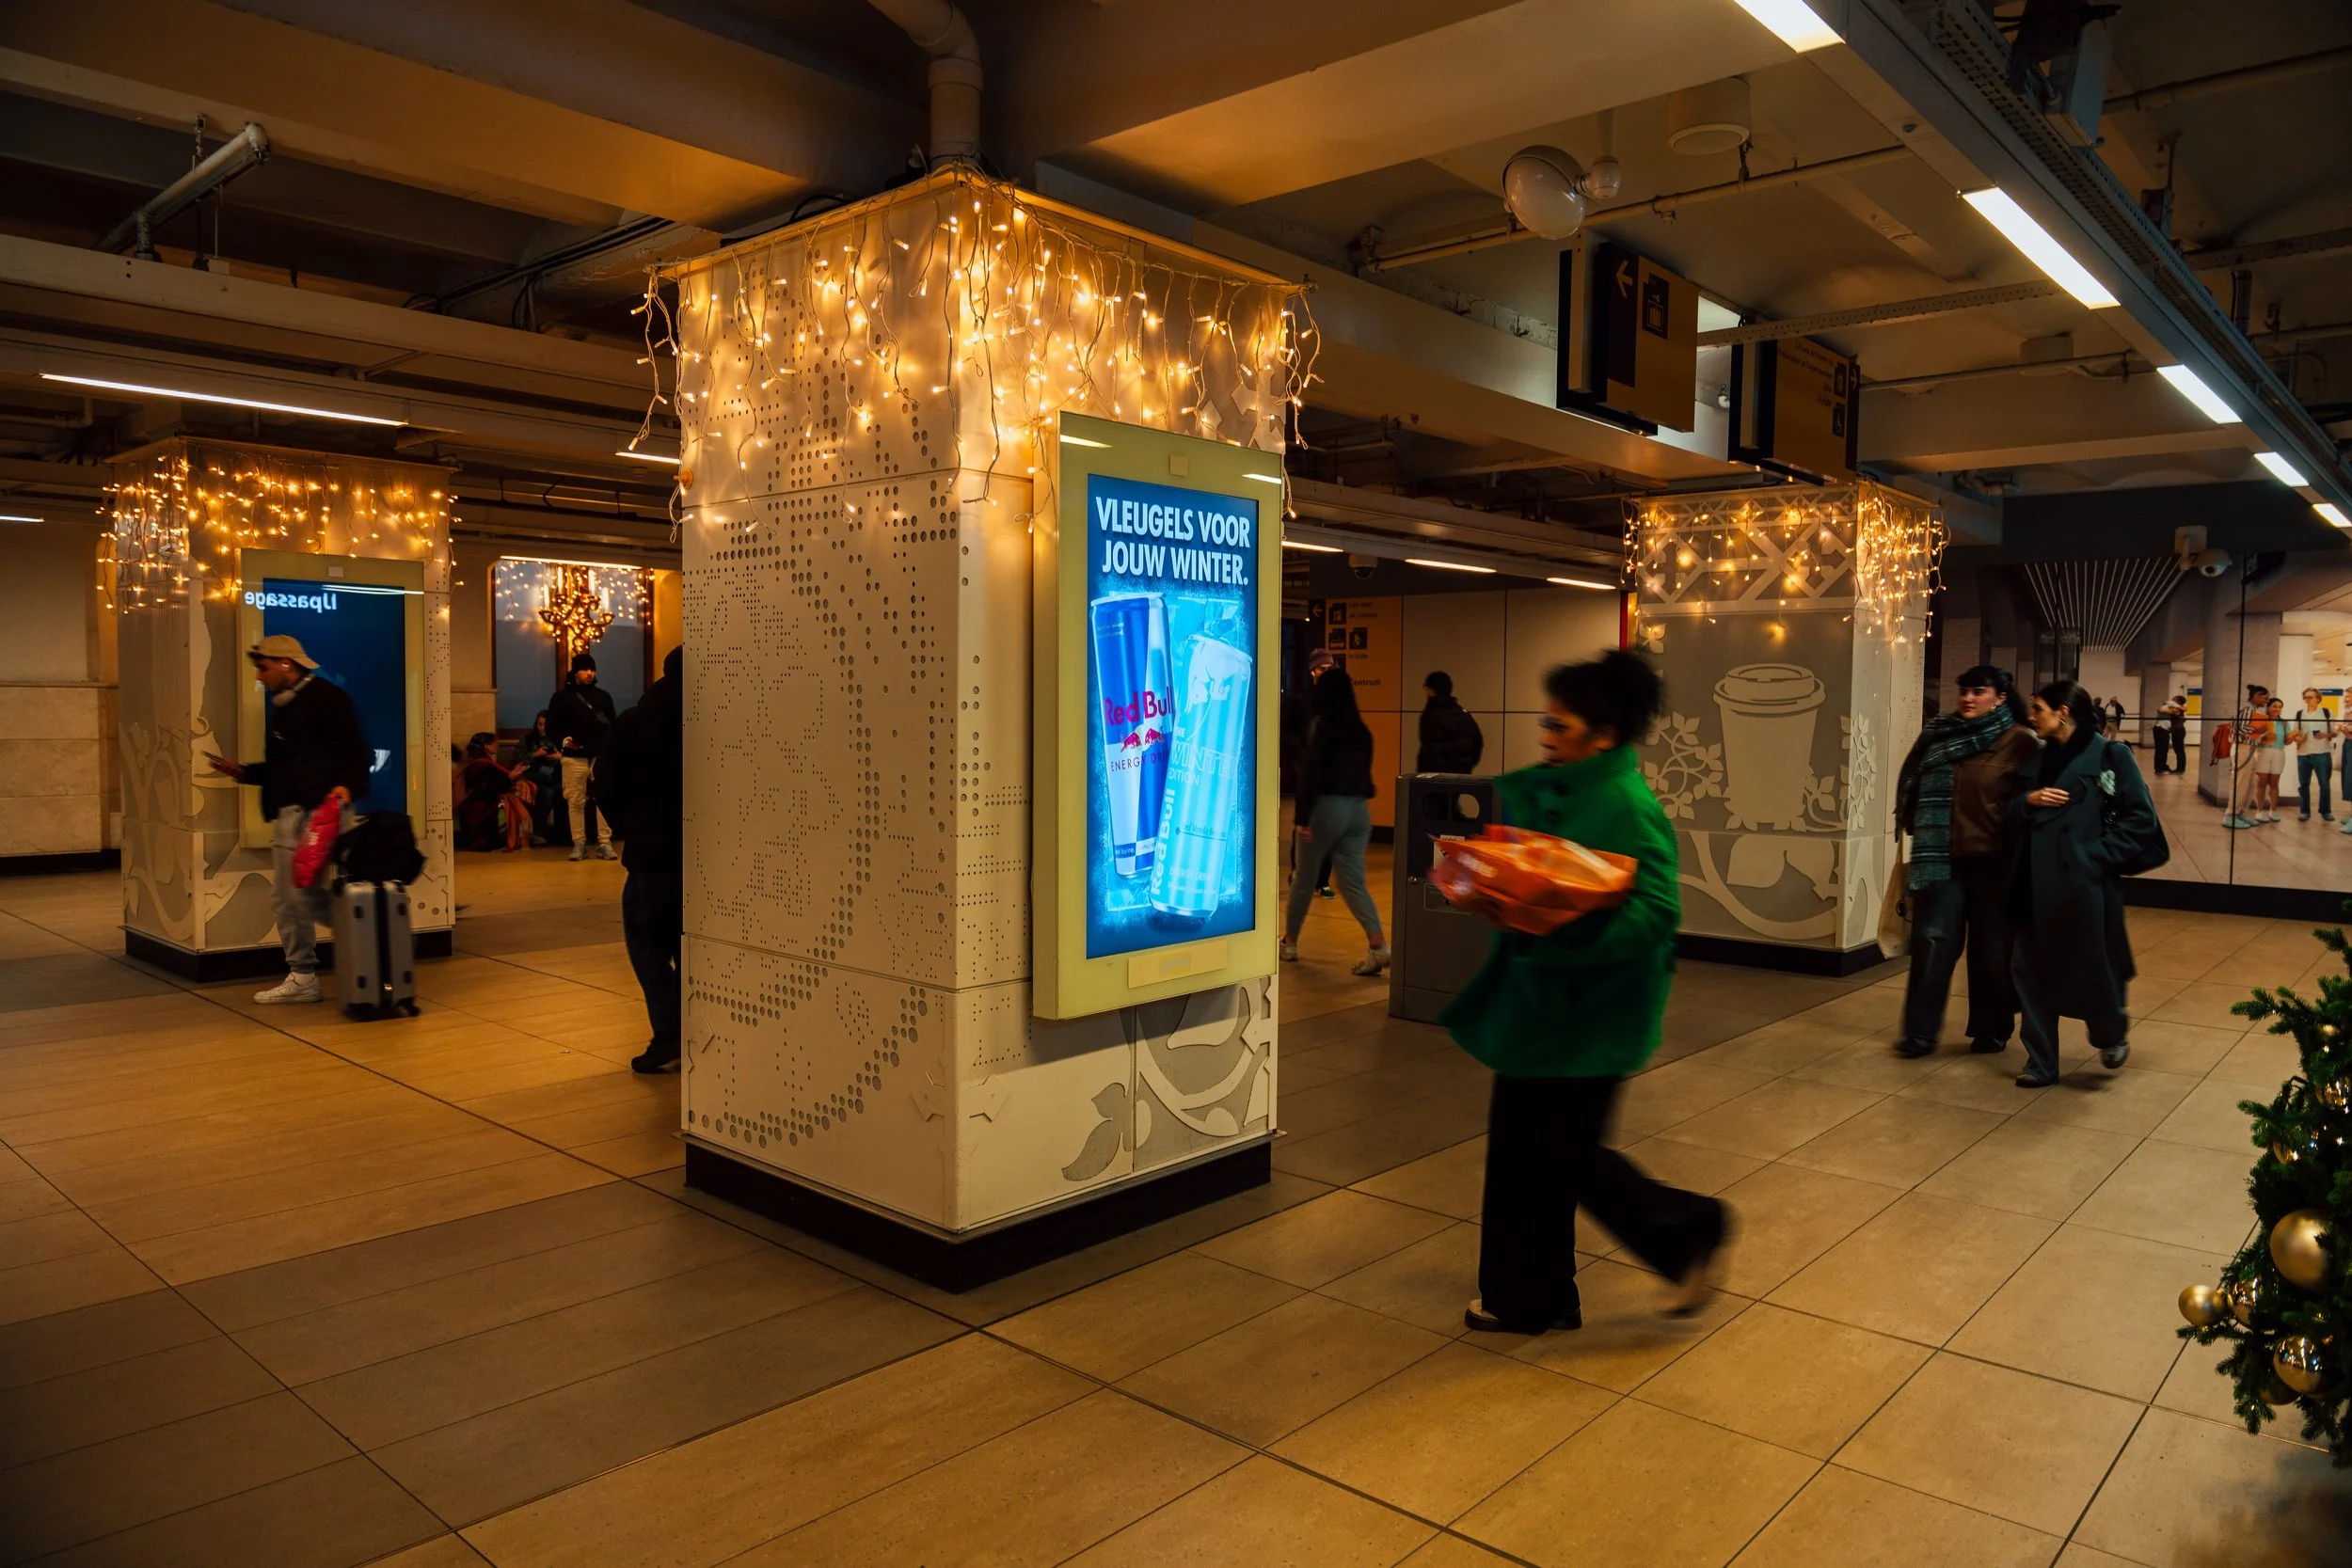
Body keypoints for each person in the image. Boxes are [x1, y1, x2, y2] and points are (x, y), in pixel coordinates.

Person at [1439, 650, 1730, 1333]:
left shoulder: (1627, 804)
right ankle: (1528, 1296)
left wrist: (1559, 939)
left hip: (1593, 1012)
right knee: (1520, 1153)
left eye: (1557, 725)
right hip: (1540, 1005)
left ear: (1602, 733)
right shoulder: (1562, 785)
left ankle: (1691, 1228)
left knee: (1562, 1156)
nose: (1544, 735)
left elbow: (1658, 912)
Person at [2008, 680, 2157, 1088]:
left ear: (2064, 713)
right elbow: (2009, 806)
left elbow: (2140, 820)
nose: (2032, 716)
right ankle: (2041, 1062)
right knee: (2028, 968)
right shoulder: (2036, 758)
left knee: (2094, 966)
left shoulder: (2111, 755)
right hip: (2032, 884)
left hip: (2083, 885)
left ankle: (2110, 1032)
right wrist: (2027, 801)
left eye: (2038, 709)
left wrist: (2094, 857)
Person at [205, 634, 371, 1005]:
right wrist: (245, 772)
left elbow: (355, 751)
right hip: (291, 811)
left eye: (263, 668)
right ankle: (304, 976)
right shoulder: (284, 705)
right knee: (286, 898)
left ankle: (367, 937)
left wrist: (345, 786)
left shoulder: (327, 699)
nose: (260, 677)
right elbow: (288, 768)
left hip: (320, 813)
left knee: (300, 897)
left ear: (286, 664)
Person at [1891, 665, 2038, 1059]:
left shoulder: (2020, 742)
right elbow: (1914, 785)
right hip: (1941, 860)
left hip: (1996, 863)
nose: (1967, 699)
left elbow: (2033, 804)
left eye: (1978, 691)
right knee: (1932, 942)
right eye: (1964, 691)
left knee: (1992, 951)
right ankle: (1919, 1033)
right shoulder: (1940, 735)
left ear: (2001, 697)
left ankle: (1991, 1029)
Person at [596, 646, 685, 1073]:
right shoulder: (719, 718)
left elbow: (606, 784)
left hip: (652, 853)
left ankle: (670, 1031)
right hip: (710, 857)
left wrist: (631, 827)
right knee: (697, 947)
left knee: (648, 944)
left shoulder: (636, 721)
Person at [1279, 661, 1388, 974]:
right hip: (1359, 812)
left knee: (1304, 880)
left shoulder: (1322, 726)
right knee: (1354, 884)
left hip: (1327, 809)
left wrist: (1302, 817)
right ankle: (1378, 946)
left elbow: (1311, 775)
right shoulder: (1362, 730)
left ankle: (1289, 943)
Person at [548, 651, 618, 861]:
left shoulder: (603, 697)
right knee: (575, 800)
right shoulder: (561, 698)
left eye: (592, 669)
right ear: (575, 672)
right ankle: (579, 842)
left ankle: (604, 842)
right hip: (573, 756)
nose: (589, 673)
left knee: (603, 798)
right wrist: (565, 740)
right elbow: (553, 726)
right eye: (584, 669)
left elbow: (612, 724)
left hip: (600, 755)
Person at [1416, 670, 1485, 773]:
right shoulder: (1462, 713)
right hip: (1463, 774)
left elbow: (1431, 749)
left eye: (1426, 688)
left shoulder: (1432, 714)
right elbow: (1477, 741)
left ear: (1432, 690)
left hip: (1438, 779)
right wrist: (1467, 765)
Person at [2293, 688, 2336, 824]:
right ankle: (2304, 811)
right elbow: (2295, 734)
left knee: (2324, 784)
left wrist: (2326, 735)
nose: (2307, 700)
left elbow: (2335, 732)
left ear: (2318, 698)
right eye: (2305, 697)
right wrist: (2298, 739)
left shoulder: (2327, 712)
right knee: (2303, 784)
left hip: (2322, 753)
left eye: (2310, 697)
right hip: (2303, 754)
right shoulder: (2300, 714)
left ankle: (2326, 811)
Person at [2249, 696, 2288, 824]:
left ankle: (2273, 810)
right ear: (2268, 708)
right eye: (2274, 706)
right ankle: (2259, 811)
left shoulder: (2284, 723)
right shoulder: (2262, 721)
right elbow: (2254, 738)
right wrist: (2262, 738)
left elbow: (2286, 741)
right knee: (2261, 782)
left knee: (2274, 783)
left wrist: (2294, 739)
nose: (2277, 709)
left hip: (2279, 753)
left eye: (2280, 707)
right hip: (2263, 752)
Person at [2154, 694, 2187, 775]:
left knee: (2178, 750)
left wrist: (2174, 711)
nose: (2173, 699)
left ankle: (2180, 769)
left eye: (2175, 698)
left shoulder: (2172, 704)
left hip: (2177, 731)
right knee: (2167, 750)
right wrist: (2172, 711)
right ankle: (2162, 768)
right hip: (2171, 730)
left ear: (2177, 701)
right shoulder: (2170, 705)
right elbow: (2160, 710)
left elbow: (2182, 713)